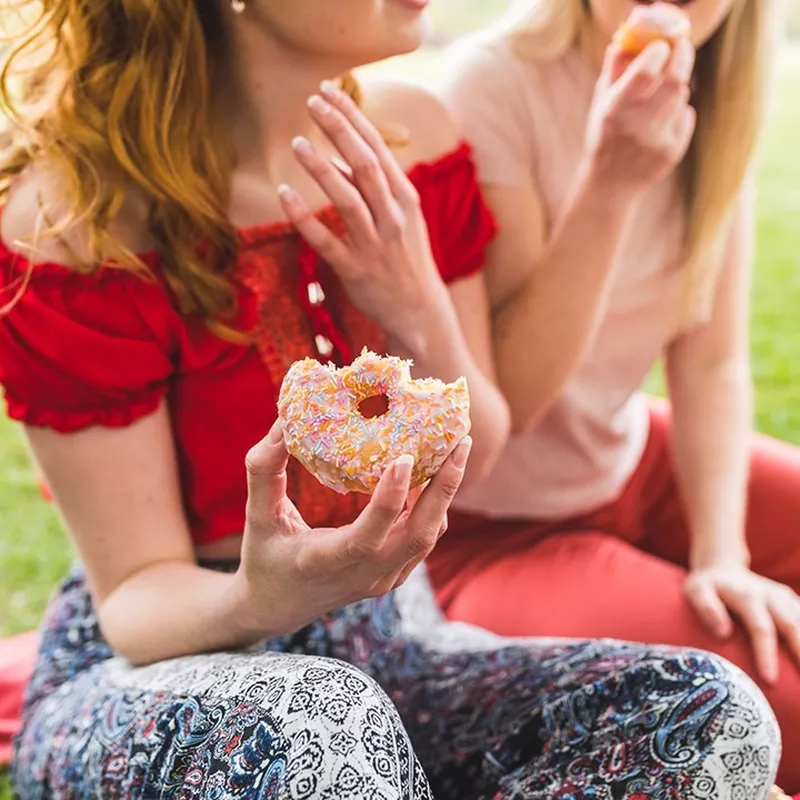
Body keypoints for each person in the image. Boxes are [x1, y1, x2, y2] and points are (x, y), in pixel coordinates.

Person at [0, 0, 781, 797]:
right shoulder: (76, 222)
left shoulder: (414, 141)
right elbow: (134, 595)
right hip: (156, 664)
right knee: (328, 729)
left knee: (708, 711)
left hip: (391, 644)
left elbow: (479, 453)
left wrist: (416, 302)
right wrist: (258, 595)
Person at [425, 0, 800, 789]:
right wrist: (610, 182)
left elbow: (712, 362)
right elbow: (510, 404)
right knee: (779, 700)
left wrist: (721, 553)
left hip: (626, 455)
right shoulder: (489, 91)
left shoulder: (717, 91)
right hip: (485, 530)